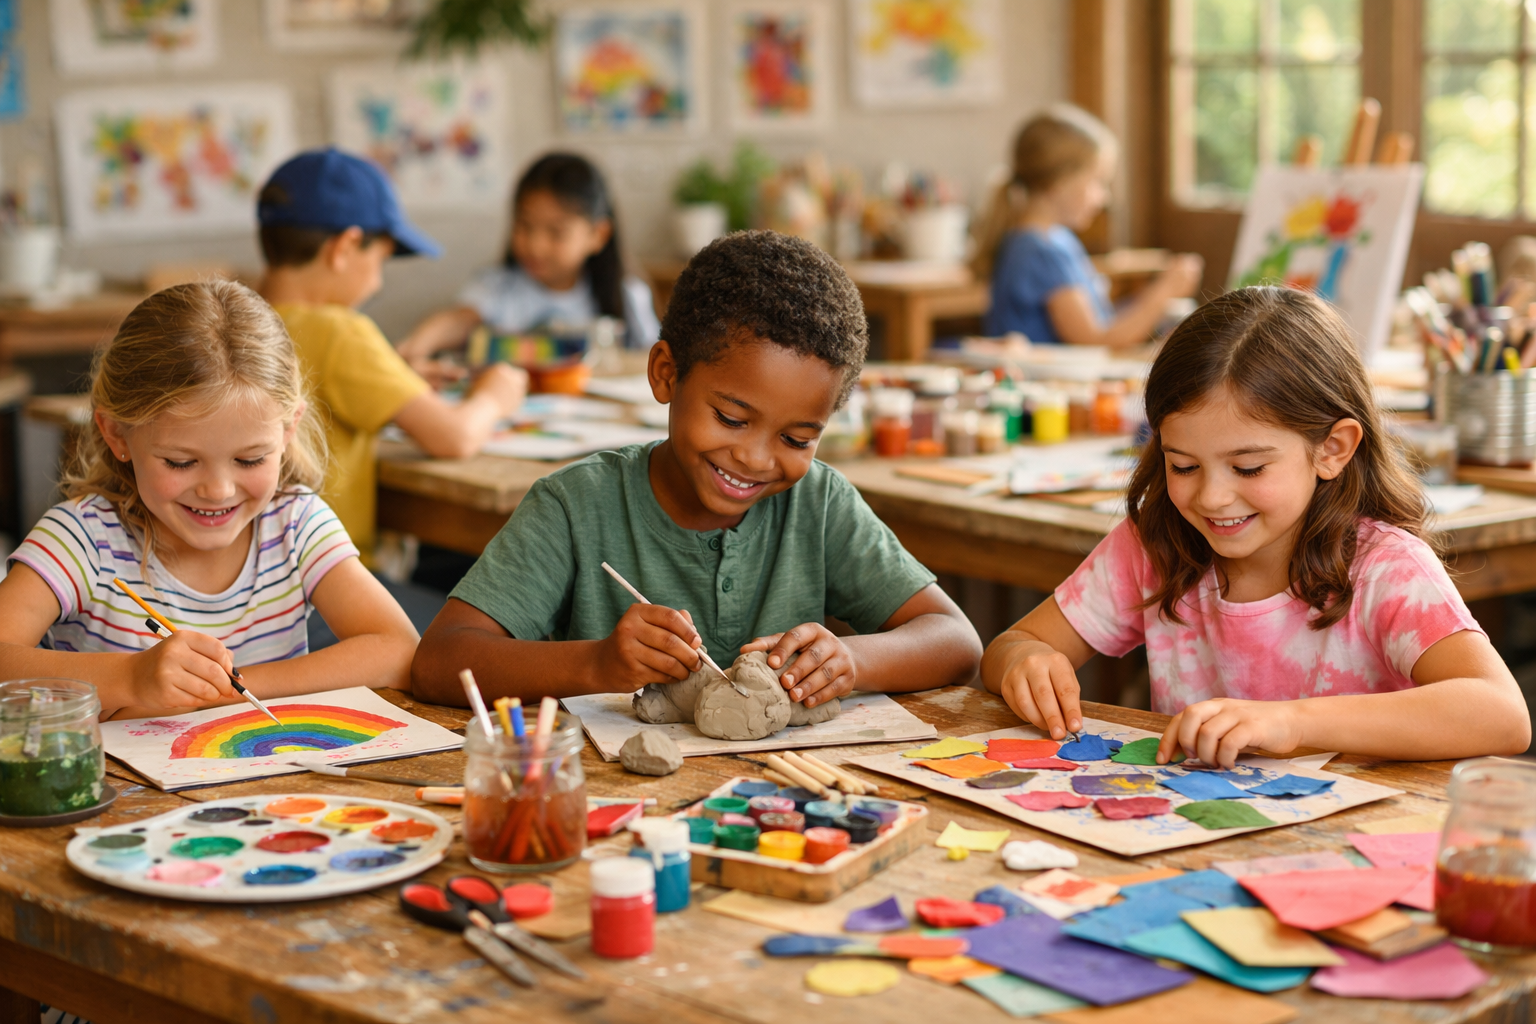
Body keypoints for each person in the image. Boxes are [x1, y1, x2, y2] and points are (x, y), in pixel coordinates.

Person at [412, 231, 982, 706]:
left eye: (796, 437)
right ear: (665, 374)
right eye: (731, 418)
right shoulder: (576, 505)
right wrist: (597, 664)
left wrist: (853, 658)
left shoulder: (819, 504)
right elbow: (440, 661)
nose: (756, 458)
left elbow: (957, 641)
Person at [981, 287, 1530, 765]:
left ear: (1332, 449)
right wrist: (1026, 661)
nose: (1212, 497)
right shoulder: (1155, 546)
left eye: (1248, 467)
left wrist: (1292, 723)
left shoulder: (1386, 567)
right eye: (1183, 466)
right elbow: (1014, 643)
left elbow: (1501, 714)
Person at [0, 282, 419, 719]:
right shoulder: (84, 539)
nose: (218, 490)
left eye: (250, 458)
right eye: (180, 462)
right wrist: (130, 677)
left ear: (288, 431)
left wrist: (230, 690)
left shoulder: (295, 523)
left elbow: (398, 650)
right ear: (116, 434)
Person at [256, 148, 527, 563]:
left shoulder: (239, 320)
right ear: (345, 246)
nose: (379, 281)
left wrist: (397, 377)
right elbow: (454, 437)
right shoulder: (340, 330)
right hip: (330, 586)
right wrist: (494, 395)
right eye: (381, 259)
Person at [397, 152, 661, 377]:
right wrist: (414, 349)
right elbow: (457, 320)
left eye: (556, 232)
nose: (535, 246)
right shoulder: (496, 288)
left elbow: (651, 364)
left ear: (598, 235)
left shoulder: (627, 294)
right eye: (524, 226)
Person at [973, 105, 1203, 347]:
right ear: (1059, 184)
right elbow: (1095, 340)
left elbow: (1101, 322)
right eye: (1098, 183)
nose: (1104, 198)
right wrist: (1163, 293)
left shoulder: (1046, 240)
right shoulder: (1042, 251)